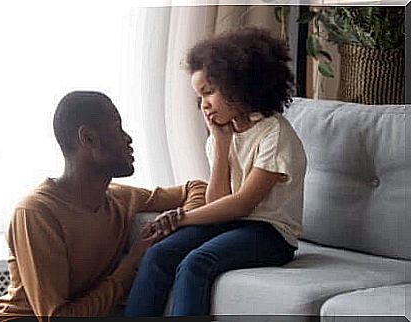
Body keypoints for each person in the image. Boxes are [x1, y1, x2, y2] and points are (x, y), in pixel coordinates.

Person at [124, 27, 307, 317]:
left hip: (270, 235)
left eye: (209, 92)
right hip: (231, 224)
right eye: (199, 97)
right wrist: (221, 146)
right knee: (158, 254)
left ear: (239, 85)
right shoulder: (220, 136)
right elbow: (217, 202)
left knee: (197, 262)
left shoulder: (275, 134)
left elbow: (242, 203)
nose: (204, 104)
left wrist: (182, 217)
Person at [0, 91, 207, 321]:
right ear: (88, 138)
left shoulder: (121, 198)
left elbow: (196, 187)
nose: (128, 139)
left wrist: (182, 223)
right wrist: (131, 264)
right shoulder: (36, 213)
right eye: (118, 129)